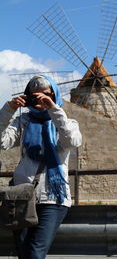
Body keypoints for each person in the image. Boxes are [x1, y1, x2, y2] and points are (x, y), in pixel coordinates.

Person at [0, 75, 82, 259]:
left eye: (45, 94)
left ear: (54, 95)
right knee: (23, 252)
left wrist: (53, 108)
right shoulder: (23, 121)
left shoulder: (67, 123)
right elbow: (2, 142)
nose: (39, 99)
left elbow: (72, 141)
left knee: (35, 252)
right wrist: (9, 109)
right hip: (21, 197)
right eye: (34, 95)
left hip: (53, 198)